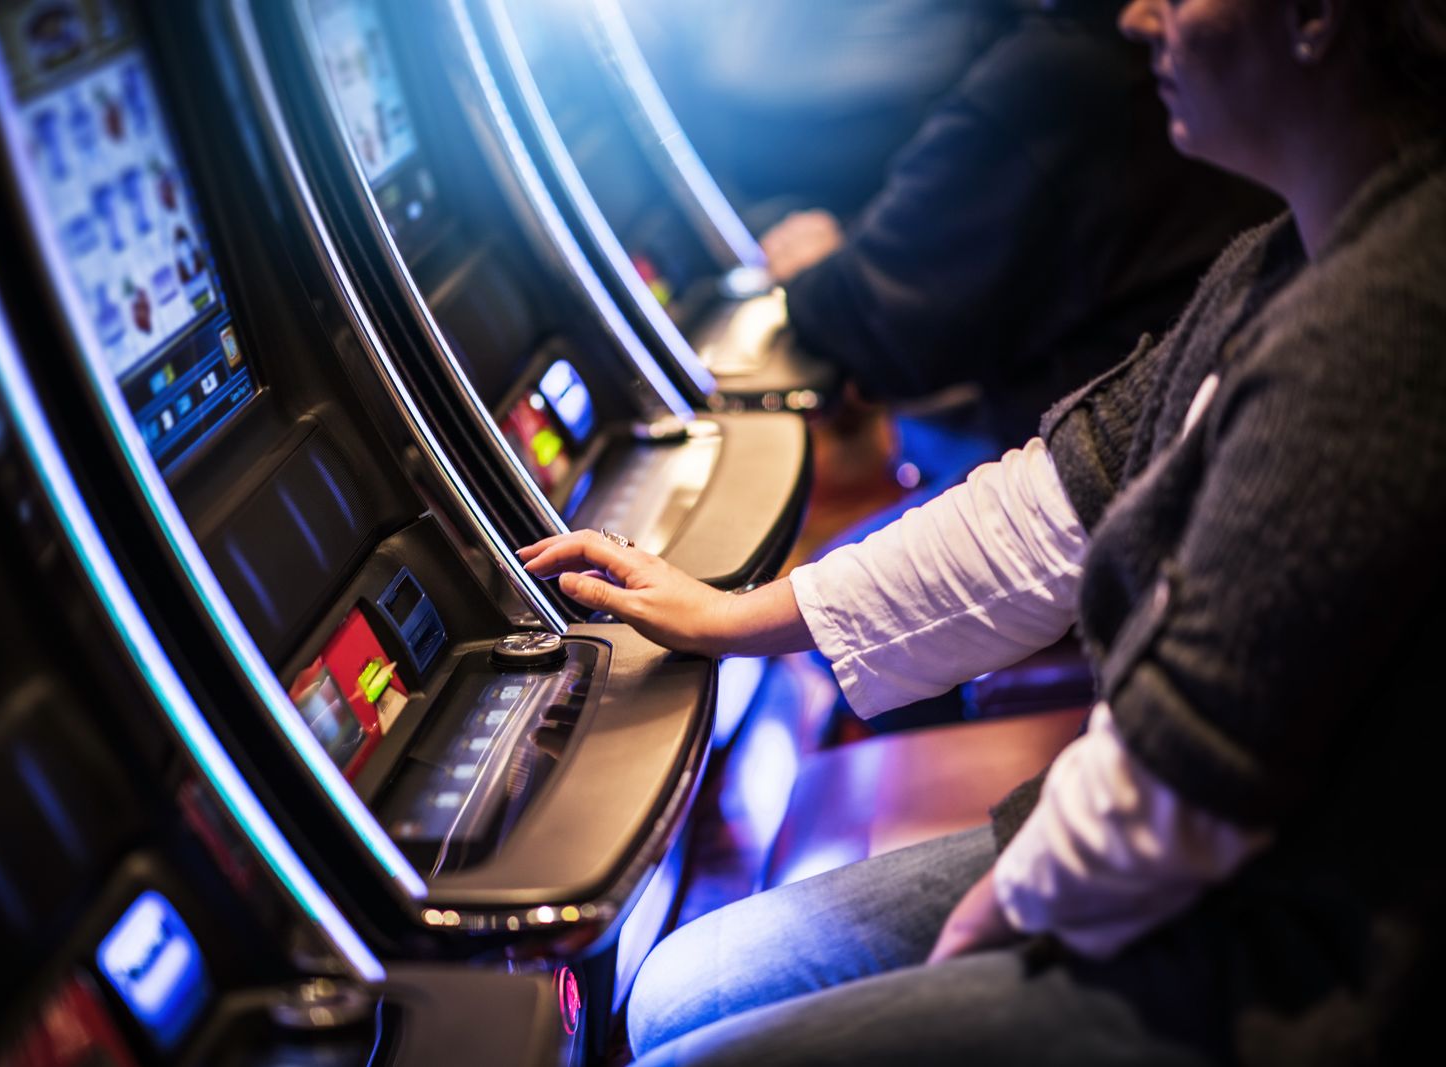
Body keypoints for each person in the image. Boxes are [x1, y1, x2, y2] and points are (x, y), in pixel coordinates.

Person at [519, 0, 1446, 1062]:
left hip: (1300, 950)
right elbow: (1057, 501)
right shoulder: (1287, 255)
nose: (1139, 16)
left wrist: (979, 936)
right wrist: (737, 615)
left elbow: (1195, 771)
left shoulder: (1388, 317)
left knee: (686, 1050)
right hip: (1206, 855)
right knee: (683, 985)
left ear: (1316, 17)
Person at [762, 0, 1281, 451]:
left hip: (1068, 466)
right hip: (1087, 459)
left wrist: (818, 270)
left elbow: (877, 328)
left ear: (1311, 21)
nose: (1140, 20)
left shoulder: (1073, 71)